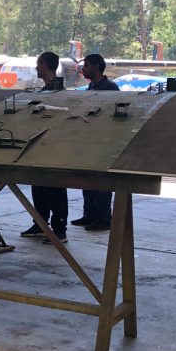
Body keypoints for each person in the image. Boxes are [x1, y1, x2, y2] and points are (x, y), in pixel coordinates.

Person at [20, 51, 69, 244]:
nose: (36, 68)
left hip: (53, 147)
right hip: (39, 145)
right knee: (39, 188)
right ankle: (40, 224)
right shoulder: (45, 91)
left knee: (54, 189)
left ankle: (59, 230)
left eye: (38, 64)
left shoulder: (58, 92)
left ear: (46, 65)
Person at [71, 53, 120, 231]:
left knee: (102, 182)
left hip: (104, 141)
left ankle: (104, 218)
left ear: (97, 67)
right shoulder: (90, 88)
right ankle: (89, 214)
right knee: (88, 180)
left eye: (87, 66)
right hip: (89, 140)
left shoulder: (111, 89)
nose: (83, 69)